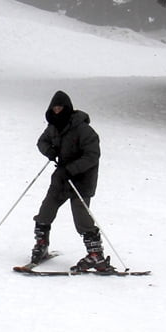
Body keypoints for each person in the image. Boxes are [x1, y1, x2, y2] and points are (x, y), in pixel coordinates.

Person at [30, 90, 112, 273]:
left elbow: (92, 155)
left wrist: (72, 169)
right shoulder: (53, 126)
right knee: (45, 211)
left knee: (82, 219)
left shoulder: (83, 128)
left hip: (82, 179)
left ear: (67, 108)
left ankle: (95, 255)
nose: (57, 110)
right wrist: (49, 151)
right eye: (54, 107)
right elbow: (42, 142)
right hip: (61, 178)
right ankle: (41, 244)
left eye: (60, 107)